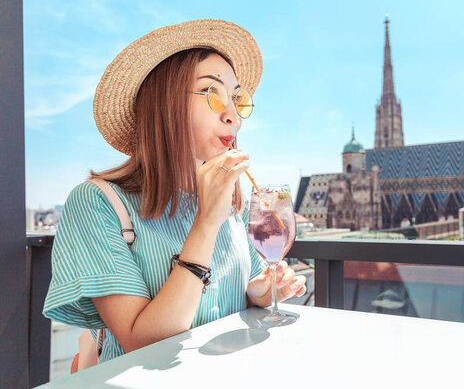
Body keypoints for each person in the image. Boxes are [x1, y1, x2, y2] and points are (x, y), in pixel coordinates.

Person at [43, 19, 307, 364]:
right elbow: (142, 342)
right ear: (165, 105)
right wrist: (207, 221)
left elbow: (248, 283)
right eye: (213, 93)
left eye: (237, 99)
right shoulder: (96, 203)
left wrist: (261, 291)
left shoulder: (234, 201)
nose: (233, 116)